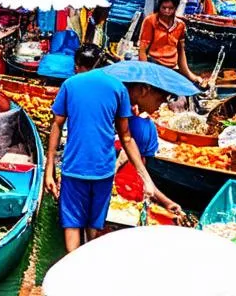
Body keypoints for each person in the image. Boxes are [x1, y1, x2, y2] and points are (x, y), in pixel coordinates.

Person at [45, 45, 179, 252]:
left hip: (75, 167)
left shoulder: (70, 84)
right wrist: (147, 182)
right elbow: (126, 138)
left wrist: (49, 169)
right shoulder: (118, 89)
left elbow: (56, 124)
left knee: (72, 224)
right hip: (103, 171)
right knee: (93, 226)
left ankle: (72, 269)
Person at [138, 0, 206, 89]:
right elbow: (142, 50)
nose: (166, 11)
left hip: (172, 68)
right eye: (163, 8)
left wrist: (191, 76)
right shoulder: (150, 21)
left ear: (175, 8)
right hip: (154, 66)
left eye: (170, 8)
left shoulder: (180, 25)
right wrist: (145, 76)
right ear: (159, 6)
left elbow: (181, 53)